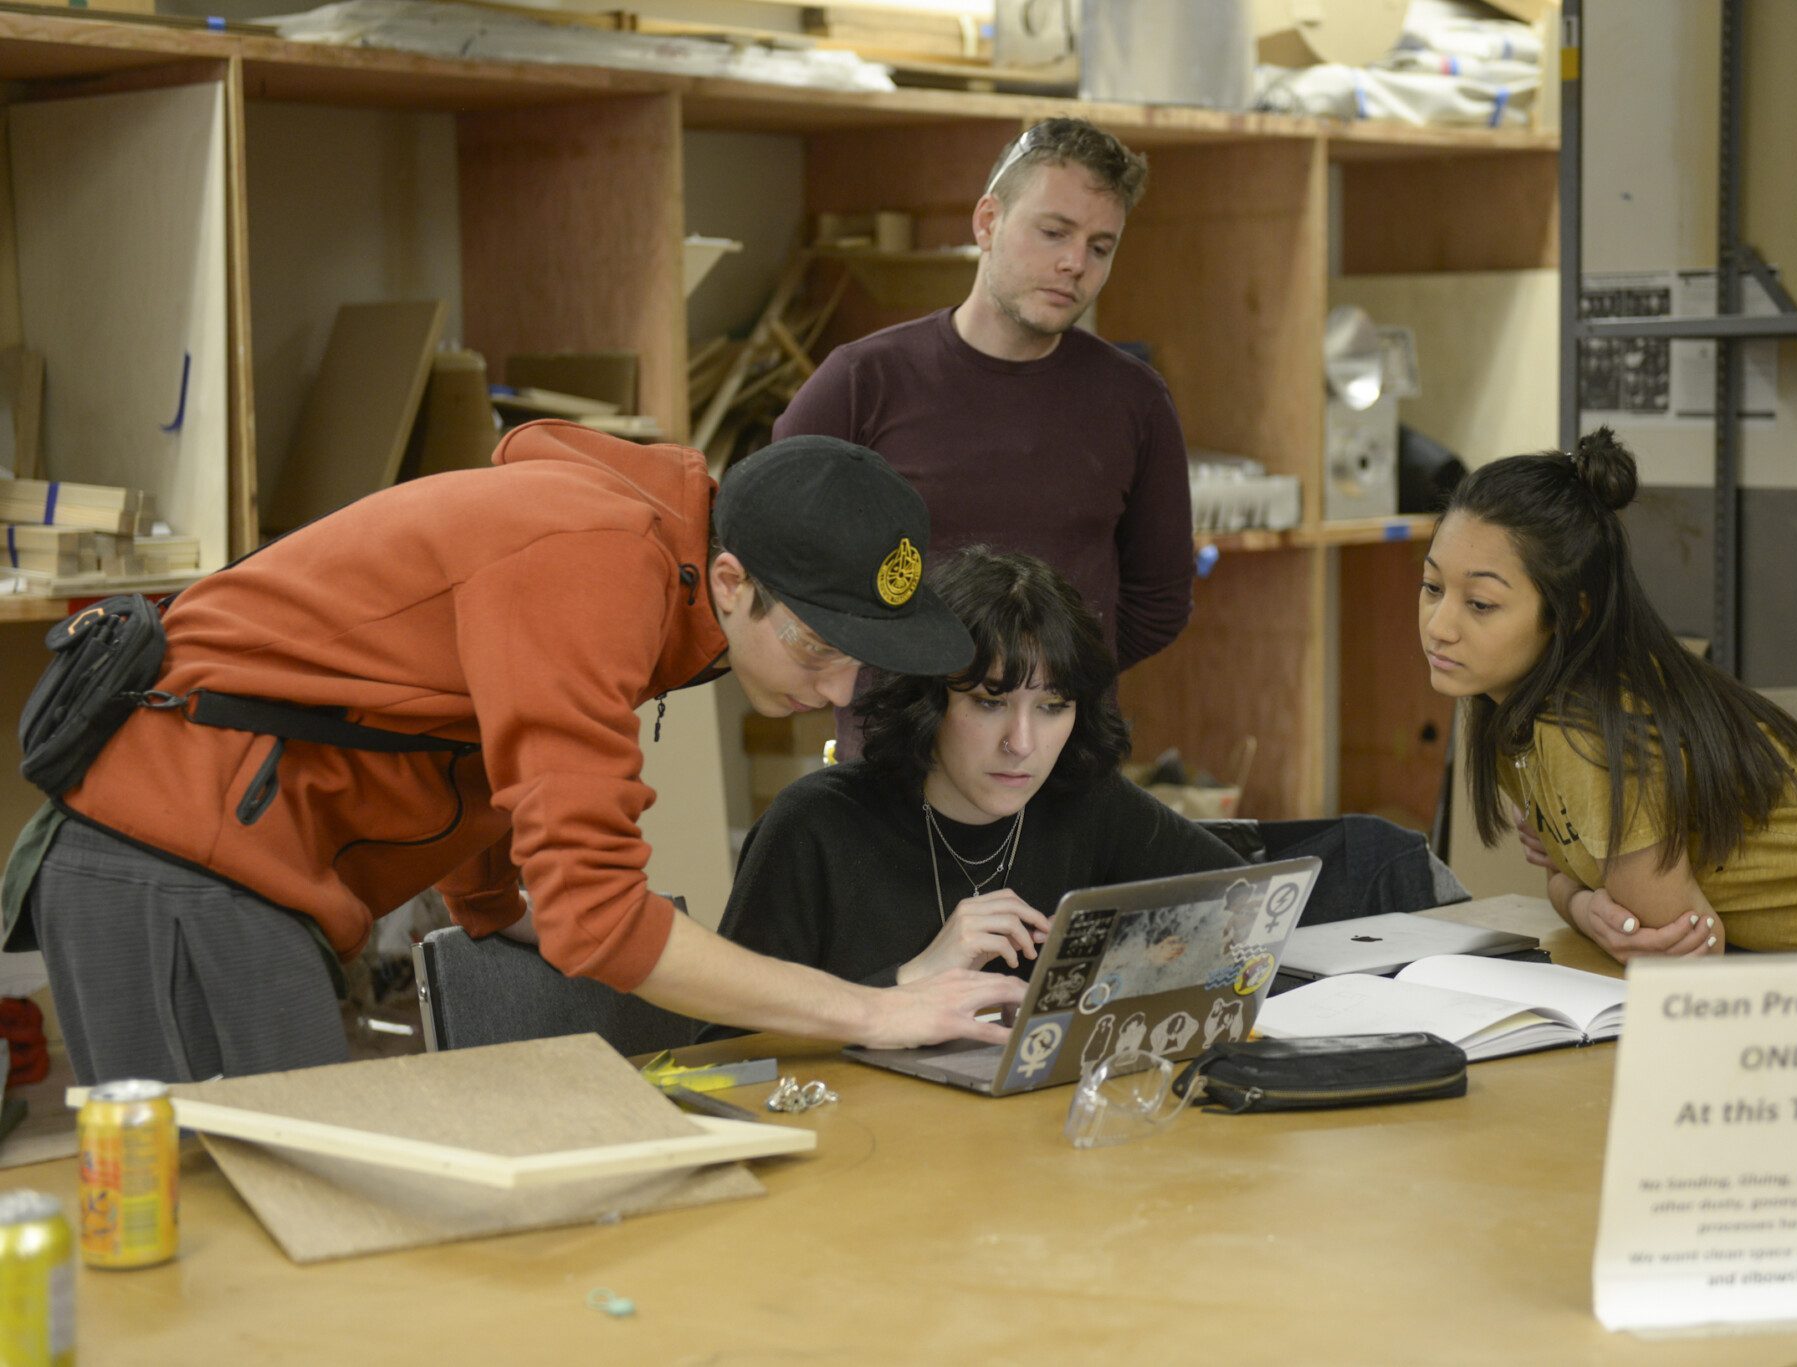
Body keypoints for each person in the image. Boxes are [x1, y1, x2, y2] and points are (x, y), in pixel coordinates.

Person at [2, 424, 1028, 1085]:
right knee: (232, 1228)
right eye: (818, 646)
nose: (840, 690)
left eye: (868, 662)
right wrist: (875, 1008)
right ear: (728, 580)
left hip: (224, 857)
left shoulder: (646, 571)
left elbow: (464, 728)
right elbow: (600, 920)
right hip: (167, 849)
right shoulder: (591, 564)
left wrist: (494, 903)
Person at [1420, 427, 1797, 968]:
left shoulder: (1584, 730)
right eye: (1431, 586)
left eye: (1480, 604)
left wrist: (1593, 901)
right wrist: (1586, 902)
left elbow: (1680, 941)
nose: (1440, 625)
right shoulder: (1514, 720)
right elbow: (1568, 872)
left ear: (1571, 614)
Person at [773, 117, 1195, 756]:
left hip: (1063, 775)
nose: (1074, 263)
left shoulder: (1134, 400)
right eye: (1053, 232)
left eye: (1101, 246)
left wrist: (1046, 686)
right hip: (896, 769)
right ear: (987, 222)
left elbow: (1158, 602)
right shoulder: (862, 381)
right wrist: (898, 683)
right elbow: (777, 561)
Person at [712, 547, 1240, 995]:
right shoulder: (812, 827)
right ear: (929, 699)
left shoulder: (1087, 801)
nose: (1022, 744)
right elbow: (725, 1050)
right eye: (990, 702)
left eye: (1053, 706)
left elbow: (1247, 907)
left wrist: (1123, 965)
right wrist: (916, 977)